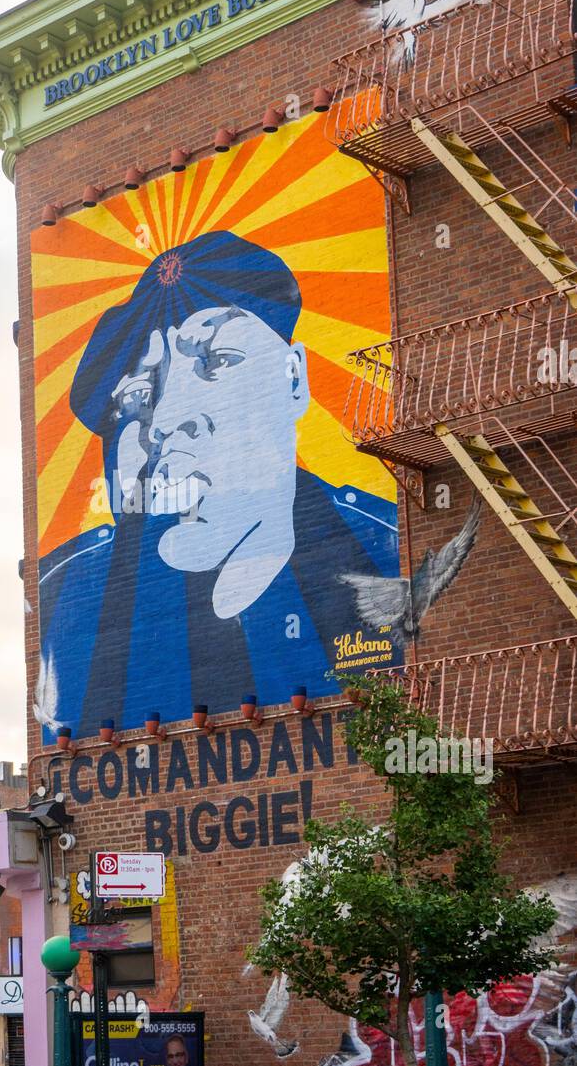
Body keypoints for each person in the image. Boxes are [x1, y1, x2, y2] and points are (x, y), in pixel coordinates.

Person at [36, 230, 401, 739]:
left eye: (218, 362)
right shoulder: (61, 599)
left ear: (293, 379)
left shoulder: (391, 550)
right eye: (138, 393)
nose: (164, 418)